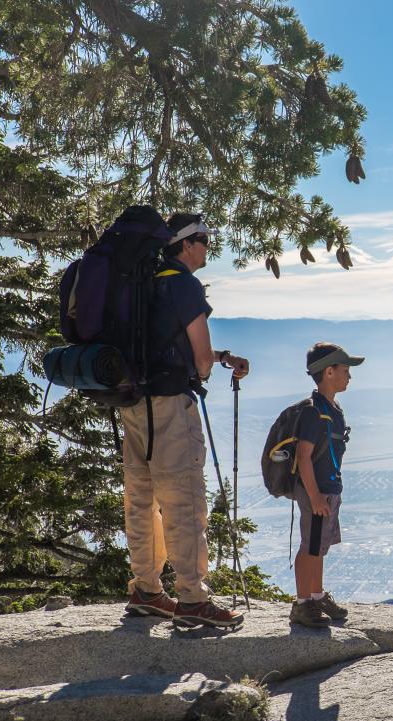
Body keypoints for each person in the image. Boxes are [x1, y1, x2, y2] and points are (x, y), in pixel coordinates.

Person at [121, 212, 250, 629]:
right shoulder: (184, 284)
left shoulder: (145, 281)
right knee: (184, 498)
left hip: (133, 400)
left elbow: (158, 344)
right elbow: (198, 357)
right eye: (206, 240)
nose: (208, 248)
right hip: (171, 406)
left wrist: (220, 356)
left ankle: (147, 590)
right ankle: (193, 600)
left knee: (141, 499)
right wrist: (208, 367)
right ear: (188, 243)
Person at [289, 342, 364, 628]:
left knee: (319, 546)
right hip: (316, 490)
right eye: (345, 370)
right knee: (310, 545)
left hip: (327, 489)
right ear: (329, 371)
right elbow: (303, 457)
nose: (349, 376)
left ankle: (317, 595)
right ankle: (302, 604)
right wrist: (315, 496)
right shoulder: (313, 411)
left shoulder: (331, 408)